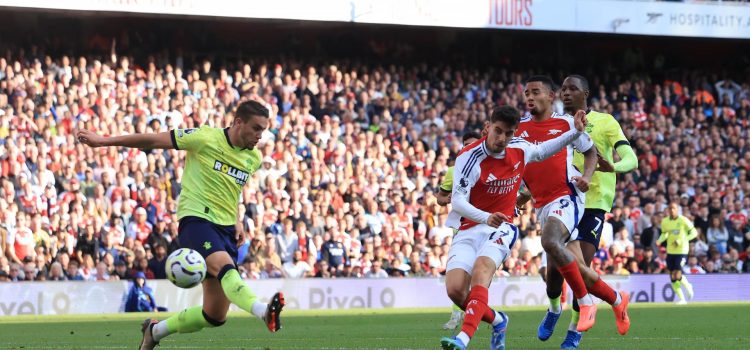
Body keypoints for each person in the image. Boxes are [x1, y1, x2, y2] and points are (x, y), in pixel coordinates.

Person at [77, 99, 285, 350]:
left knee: (215, 315)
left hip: (226, 229)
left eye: (263, 130)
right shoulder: (204, 137)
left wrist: (237, 220)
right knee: (226, 268)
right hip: (196, 221)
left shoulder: (254, 158)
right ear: (238, 122)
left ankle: (155, 331)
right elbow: (153, 140)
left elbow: (233, 188)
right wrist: (103, 140)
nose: (260, 135)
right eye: (256, 128)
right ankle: (263, 311)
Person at [440, 105, 589, 350]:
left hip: (502, 227)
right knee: (456, 291)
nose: (502, 139)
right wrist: (486, 216)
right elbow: (457, 201)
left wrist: (575, 132)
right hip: (470, 227)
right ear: (487, 128)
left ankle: (462, 339)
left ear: (514, 133)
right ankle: (499, 321)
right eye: (497, 131)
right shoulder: (468, 157)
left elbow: (543, 150)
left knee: (481, 271)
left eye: (508, 133)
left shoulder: (519, 149)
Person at [515, 76, 628, 339]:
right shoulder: (518, 128)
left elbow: (590, 152)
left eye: (535, 92)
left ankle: (584, 306)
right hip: (543, 203)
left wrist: (587, 177)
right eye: (526, 93)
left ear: (549, 95)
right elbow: (521, 162)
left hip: (569, 198)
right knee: (556, 272)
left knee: (552, 242)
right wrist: (523, 192)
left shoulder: (567, 123)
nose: (530, 97)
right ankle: (606, 300)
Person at [553, 74, 638, 348]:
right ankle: (556, 306)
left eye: (572, 88)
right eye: (563, 89)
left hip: (593, 203)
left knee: (579, 270)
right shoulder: (555, 124)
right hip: (562, 201)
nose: (566, 93)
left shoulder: (605, 122)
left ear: (586, 93)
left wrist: (614, 166)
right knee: (554, 272)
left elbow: (631, 159)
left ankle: (574, 331)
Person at [436, 130, 482, 330]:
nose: (468, 148)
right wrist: (447, 200)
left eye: (472, 144)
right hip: (461, 228)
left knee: (478, 275)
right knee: (460, 275)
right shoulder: (453, 171)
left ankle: (476, 314)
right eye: (465, 144)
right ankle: (456, 316)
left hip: (483, 227)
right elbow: (440, 197)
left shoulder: (487, 167)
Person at [658, 202, 697, 304]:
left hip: (682, 250)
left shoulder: (683, 220)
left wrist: (683, 240)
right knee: (672, 275)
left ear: (677, 210)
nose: (672, 210)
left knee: (677, 272)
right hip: (670, 251)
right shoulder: (665, 221)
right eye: (670, 208)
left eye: (674, 208)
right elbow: (665, 233)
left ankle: (688, 286)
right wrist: (660, 240)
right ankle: (682, 299)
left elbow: (694, 233)